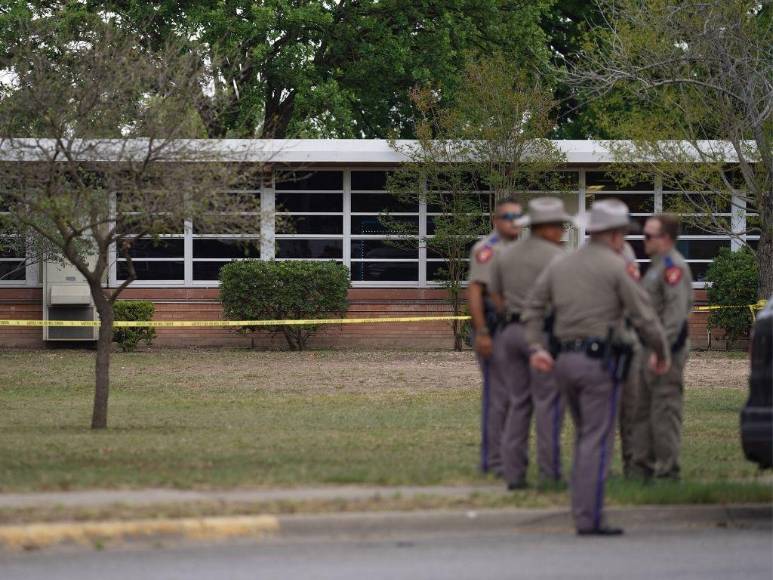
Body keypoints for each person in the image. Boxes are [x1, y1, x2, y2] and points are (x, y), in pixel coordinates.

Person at [523, 199, 670, 536]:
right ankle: (589, 518)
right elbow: (643, 315)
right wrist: (661, 350)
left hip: (563, 362)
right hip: (599, 365)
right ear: (616, 234)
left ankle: (583, 509)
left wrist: (536, 347)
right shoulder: (616, 267)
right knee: (596, 440)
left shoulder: (560, 264)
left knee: (584, 436)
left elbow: (533, 307)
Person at [488, 197, 572, 489]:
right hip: (543, 333)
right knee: (548, 405)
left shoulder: (505, 254)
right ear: (546, 227)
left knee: (518, 403)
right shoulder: (558, 257)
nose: (562, 230)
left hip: (510, 331)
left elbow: (494, 294)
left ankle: (514, 474)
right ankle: (549, 474)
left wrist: (512, 313)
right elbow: (564, 300)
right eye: (559, 225)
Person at [630, 214, 694, 481]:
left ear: (665, 238)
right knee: (643, 411)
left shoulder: (672, 267)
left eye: (648, 236)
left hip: (665, 352)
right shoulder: (656, 266)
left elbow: (674, 316)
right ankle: (641, 470)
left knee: (665, 411)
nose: (643, 240)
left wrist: (661, 350)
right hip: (648, 349)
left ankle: (668, 473)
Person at [467, 196, 523, 475]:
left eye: (518, 217)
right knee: (498, 397)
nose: (514, 223)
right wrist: (483, 332)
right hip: (495, 328)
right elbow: (476, 292)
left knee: (517, 397)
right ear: (495, 220)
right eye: (508, 217)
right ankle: (494, 460)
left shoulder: (521, 249)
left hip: (517, 330)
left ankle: (511, 455)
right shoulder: (487, 249)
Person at [618, 242, 644, 478]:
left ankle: (632, 466)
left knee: (631, 410)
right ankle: (631, 466)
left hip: (623, 342)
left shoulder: (624, 250)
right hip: (616, 343)